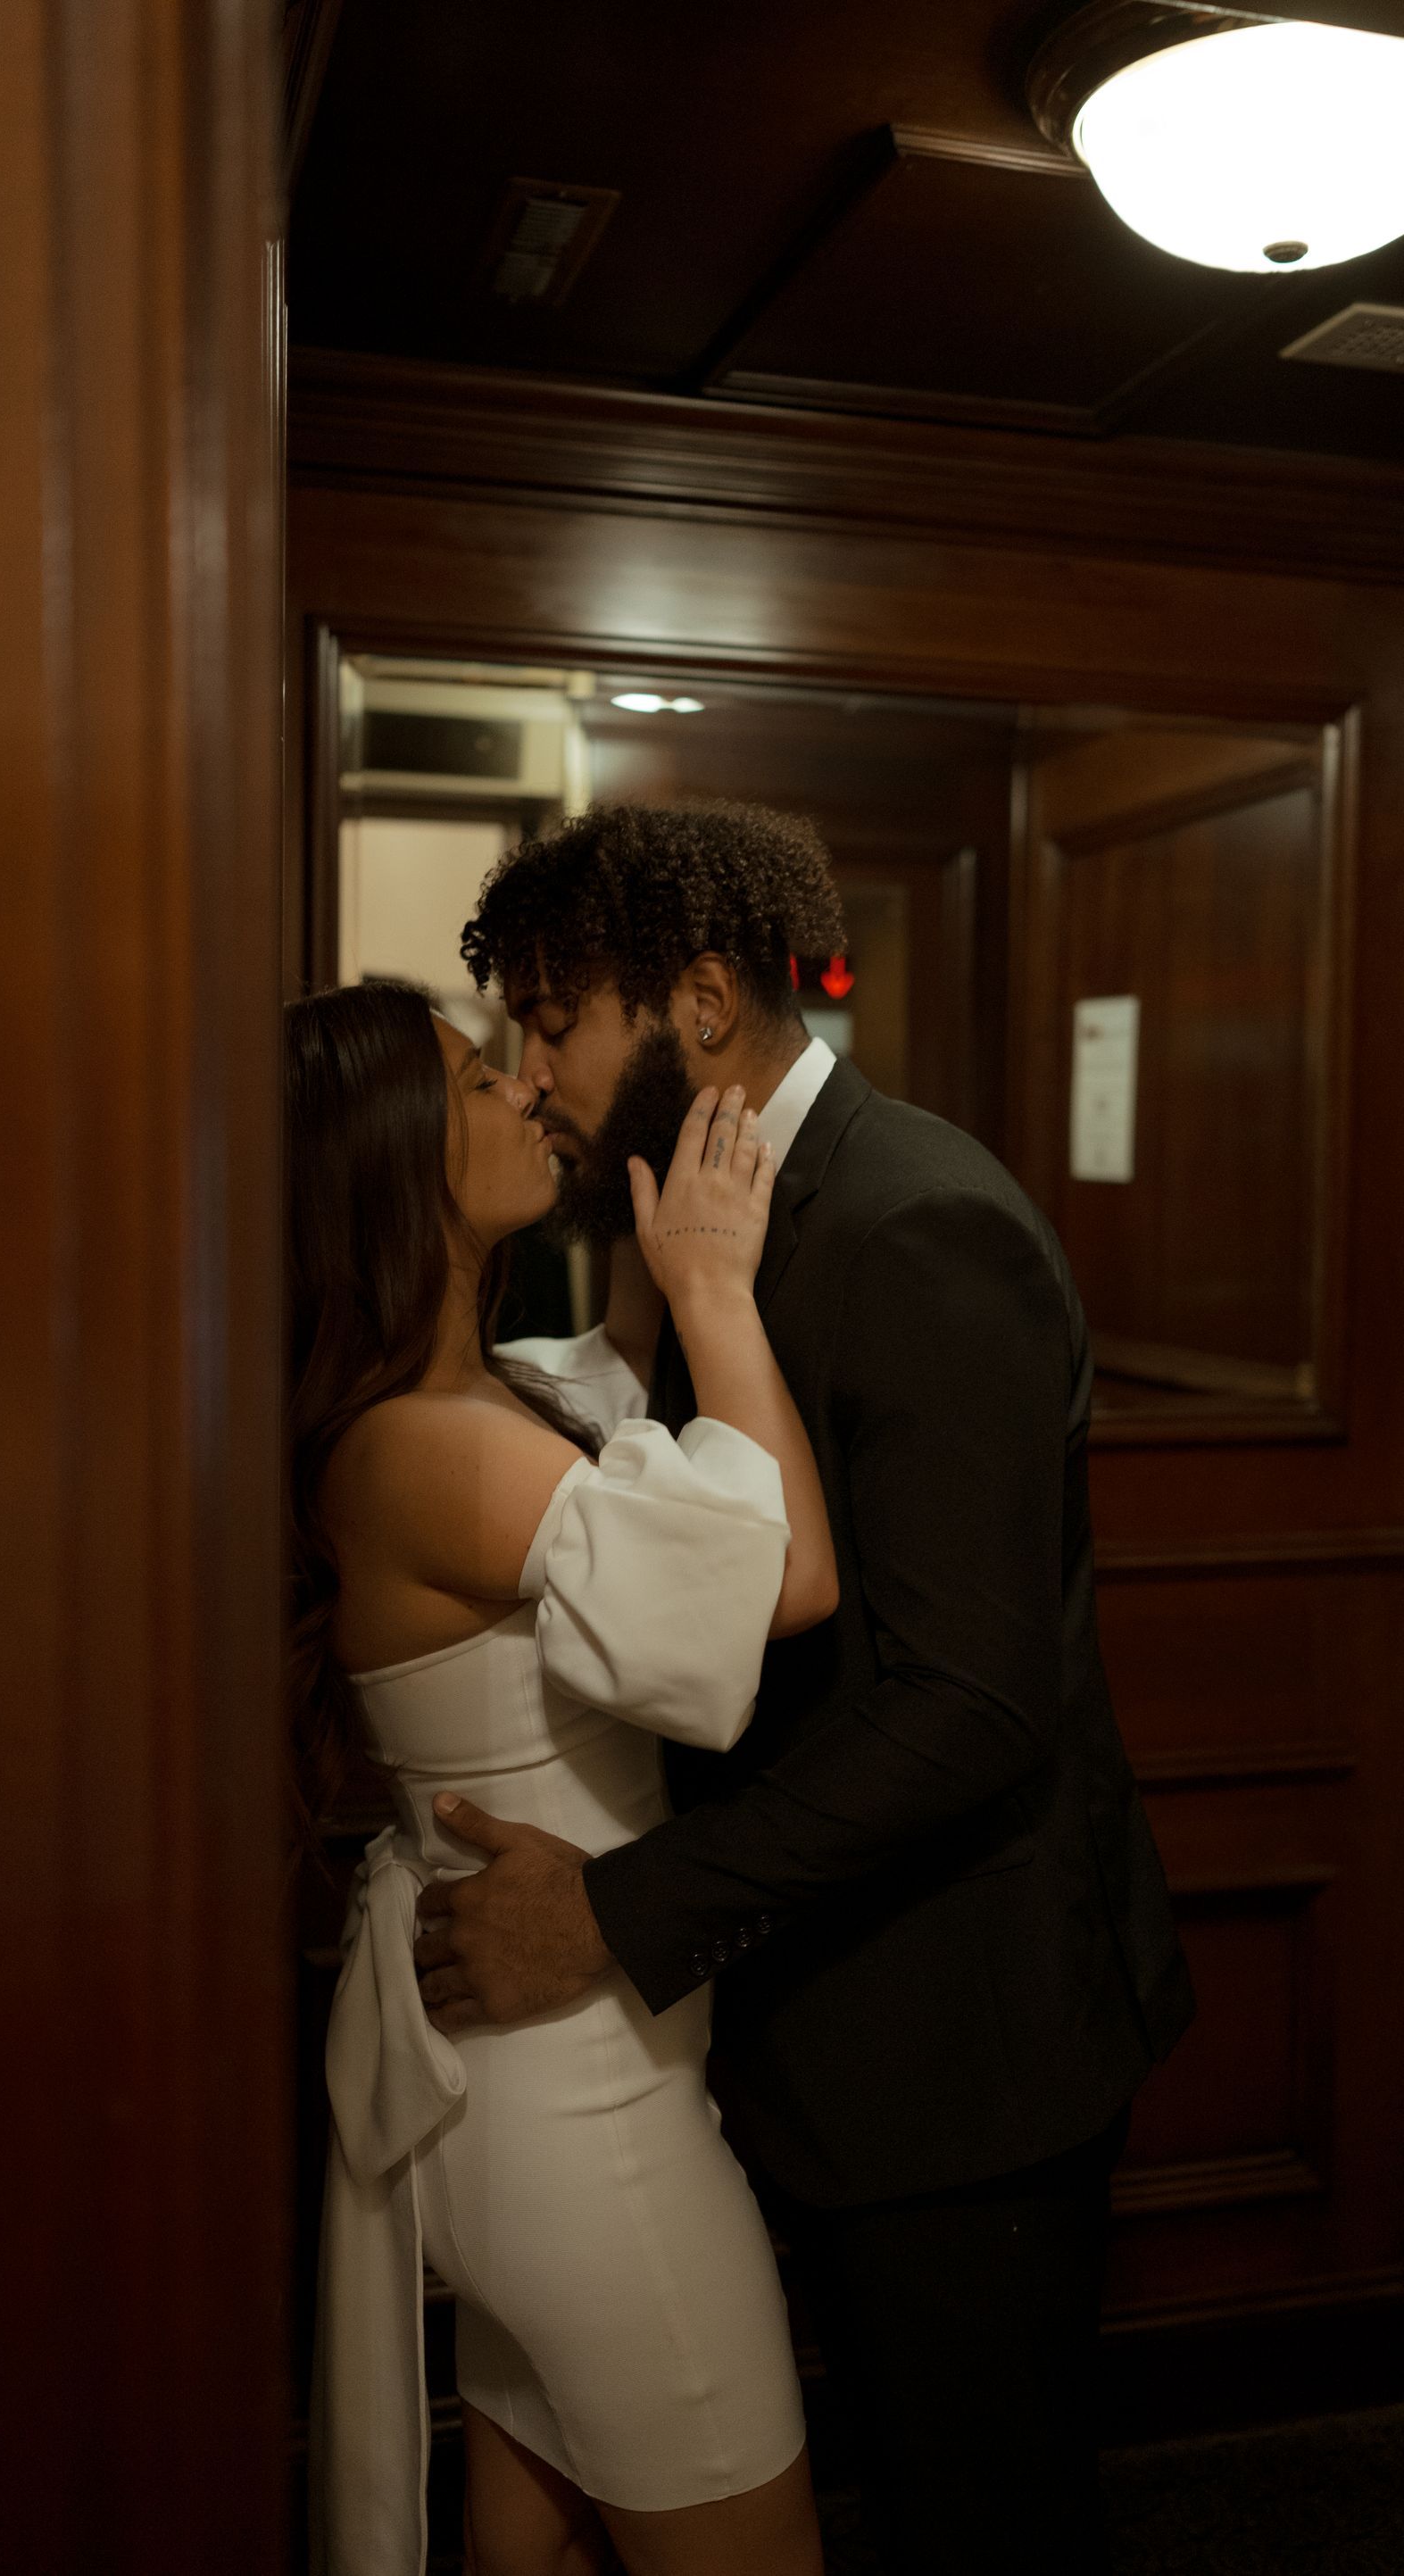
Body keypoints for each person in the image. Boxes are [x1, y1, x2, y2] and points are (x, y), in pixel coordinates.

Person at [418, 799, 1197, 2575]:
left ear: (699, 1002)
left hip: (962, 2050)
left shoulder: (923, 1222)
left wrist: (619, 1911)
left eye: (555, 1022)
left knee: (988, 2524)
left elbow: (972, 1703)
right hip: (800, 2021)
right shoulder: (668, 1226)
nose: (531, 1075)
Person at [287, 979, 837, 2576]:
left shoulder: (469, 1401)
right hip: (590, 2124)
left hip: (521, 2095)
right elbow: (784, 1581)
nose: (526, 1088)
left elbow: (611, 1381)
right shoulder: (429, 1447)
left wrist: (654, 1181)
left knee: (535, 2545)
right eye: (479, 1081)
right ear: (391, 1162)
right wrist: (720, 1287)